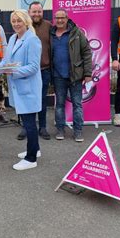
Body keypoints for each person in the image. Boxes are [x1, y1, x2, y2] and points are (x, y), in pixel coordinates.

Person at [0, 10, 42, 170]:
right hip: (18, 88)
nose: (16, 24)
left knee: (29, 123)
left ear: (26, 22)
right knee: (27, 121)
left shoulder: (32, 40)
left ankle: (31, 159)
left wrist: (12, 71)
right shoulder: (12, 38)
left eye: (19, 21)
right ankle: (35, 149)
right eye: (13, 21)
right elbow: (6, 61)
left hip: (29, 88)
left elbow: (33, 67)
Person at [51, 9, 92, 142]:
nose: (60, 20)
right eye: (57, 18)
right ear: (55, 19)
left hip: (75, 76)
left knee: (77, 104)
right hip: (58, 76)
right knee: (60, 105)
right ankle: (60, 129)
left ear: (67, 18)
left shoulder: (76, 33)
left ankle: (78, 131)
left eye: (62, 18)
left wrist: (87, 73)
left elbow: (86, 52)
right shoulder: (51, 34)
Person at [17, 1, 52, 140]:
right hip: (25, 71)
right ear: (29, 12)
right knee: (25, 100)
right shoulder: (24, 27)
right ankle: (26, 127)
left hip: (44, 70)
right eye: (34, 11)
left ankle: (42, 127)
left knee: (41, 100)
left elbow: (53, 47)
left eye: (39, 11)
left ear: (42, 12)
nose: (36, 14)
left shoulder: (49, 26)